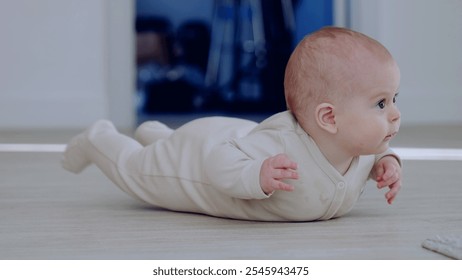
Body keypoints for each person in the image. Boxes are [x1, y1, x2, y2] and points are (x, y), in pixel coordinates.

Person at [61, 26, 402, 222]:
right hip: (199, 160)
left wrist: (386, 164)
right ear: (329, 118)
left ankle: (156, 133)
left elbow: (369, 158)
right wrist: (257, 176)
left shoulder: (359, 148)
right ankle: (99, 139)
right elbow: (216, 162)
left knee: (169, 139)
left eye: (393, 100)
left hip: (229, 133)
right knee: (138, 169)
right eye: (380, 103)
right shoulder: (280, 150)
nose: (395, 114)